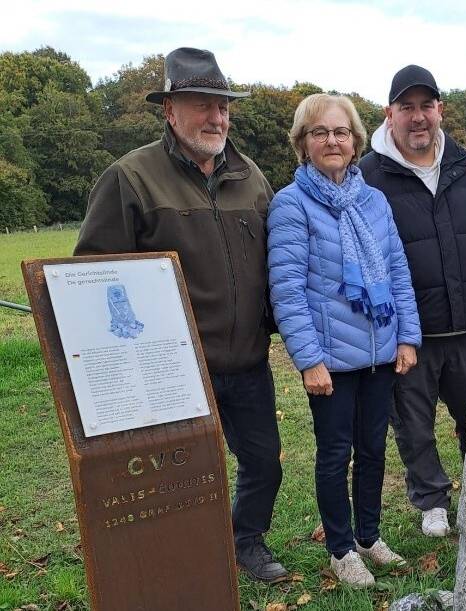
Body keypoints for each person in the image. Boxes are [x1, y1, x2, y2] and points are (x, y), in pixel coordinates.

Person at [74, 48, 289, 583]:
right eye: (202, 105)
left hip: (247, 359)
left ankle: (245, 541)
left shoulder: (251, 177)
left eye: (223, 106)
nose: (217, 117)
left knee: (264, 463)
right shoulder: (131, 177)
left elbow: (279, 261)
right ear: (170, 110)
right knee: (184, 473)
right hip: (173, 369)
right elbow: (93, 273)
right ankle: (184, 556)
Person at [267, 93, 422, 587]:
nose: (332, 141)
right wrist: (308, 359)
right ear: (303, 143)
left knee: (373, 450)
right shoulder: (291, 205)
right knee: (336, 455)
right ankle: (341, 548)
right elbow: (287, 291)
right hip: (330, 360)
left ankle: (369, 536)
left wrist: (407, 336)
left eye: (340, 132)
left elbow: (397, 272)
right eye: (320, 133)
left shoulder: (373, 201)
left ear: (355, 142)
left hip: (379, 352)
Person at [359, 65, 466, 538]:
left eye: (426, 106)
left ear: (440, 110)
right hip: (408, 332)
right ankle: (431, 499)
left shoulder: (465, 162)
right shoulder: (368, 173)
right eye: (407, 107)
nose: (418, 117)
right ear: (389, 113)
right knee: (414, 425)